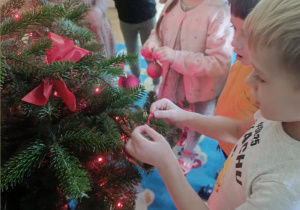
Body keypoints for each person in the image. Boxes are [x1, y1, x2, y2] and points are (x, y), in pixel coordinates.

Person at [126, 0, 300, 208]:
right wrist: (182, 116)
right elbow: (237, 130)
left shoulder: (283, 192)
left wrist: (165, 161)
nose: (248, 80)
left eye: (262, 77)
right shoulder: (278, 116)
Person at [140, 0, 233, 175]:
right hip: (171, 79)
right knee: (168, 113)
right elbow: (158, 32)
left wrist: (176, 57)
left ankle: (189, 152)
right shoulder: (173, 4)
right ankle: (166, 143)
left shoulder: (218, 12)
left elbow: (219, 63)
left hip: (200, 88)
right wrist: (153, 43)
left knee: (194, 122)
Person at [215, 0, 260, 158]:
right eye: (234, 27)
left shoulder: (270, 88)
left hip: (241, 154)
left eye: (249, 33)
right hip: (223, 136)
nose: (234, 42)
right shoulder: (243, 61)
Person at [113, 0, 160, 88]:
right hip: (126, 17)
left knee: (151, 52)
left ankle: (156, 84)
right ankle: (137, 81)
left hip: (147, 14)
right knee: (132, 53)